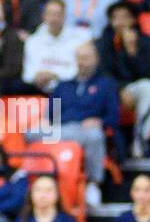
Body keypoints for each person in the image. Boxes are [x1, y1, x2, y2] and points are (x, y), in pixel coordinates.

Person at [45, 42, 120, 207]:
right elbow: (50, 114)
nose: (82, 62)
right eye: (79, 58)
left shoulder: (106, 84)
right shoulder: (63, 85)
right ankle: (31, 176)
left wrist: (100, 121)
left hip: (85, 130)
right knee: (30, 133)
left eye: (86, 58)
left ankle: (93, 184)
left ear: (96, 59)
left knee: (95, 135)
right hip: (61, 129)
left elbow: (114, 117)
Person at [99, 2, 150, 156]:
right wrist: (119, 89)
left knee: (149, 87)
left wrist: (132, 51)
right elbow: (101, 73)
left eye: (124, 17)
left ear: (133, 20)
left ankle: (140, 142)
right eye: (115, 18)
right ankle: (110, 148)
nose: (120, 22)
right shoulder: (102, 44)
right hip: (110, 90)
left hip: (137, 89)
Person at [21, 0, 80, 92]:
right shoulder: (32, 41)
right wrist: (37, 76)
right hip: (37, 88)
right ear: (43, 16)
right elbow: (27, 74)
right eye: (50, 14)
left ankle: (55, 106)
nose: (54, 18)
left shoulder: (76, 40)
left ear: (64, 16)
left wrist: (55, 75)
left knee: (62, 94)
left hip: (65, 88)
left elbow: (77, 71)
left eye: (58, 14)